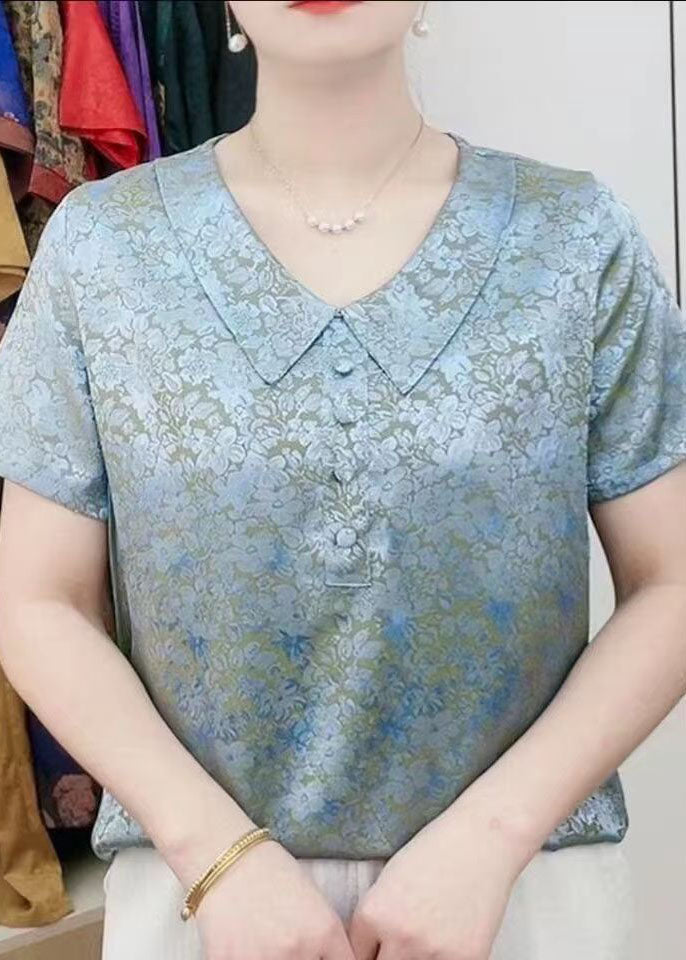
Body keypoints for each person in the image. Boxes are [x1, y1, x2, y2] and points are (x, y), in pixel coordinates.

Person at [0, 1, 685, 957]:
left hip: (522, 891)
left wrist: (492, 839)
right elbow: (37, 601)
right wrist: (220, 857)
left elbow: (671, 582)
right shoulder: (101, 250)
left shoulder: (574, 239)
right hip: (205, 899)